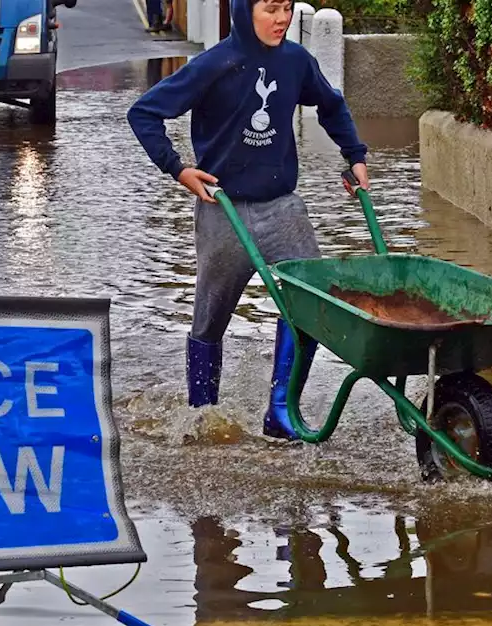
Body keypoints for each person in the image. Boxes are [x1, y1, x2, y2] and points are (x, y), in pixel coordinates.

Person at [126, 0, 369, 440]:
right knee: (210, 319)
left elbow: (331, 106)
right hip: (223, 210)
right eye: (270, 8)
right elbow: (144, 113)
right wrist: (178, 168)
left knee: (312, 304)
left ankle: (281, 411)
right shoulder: (214, 64)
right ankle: (202, 416)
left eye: (287, 8)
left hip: (282, 208)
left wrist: (354, 155)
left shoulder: (295, 61)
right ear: (243, 9)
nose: (281, 19)